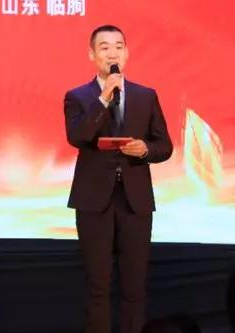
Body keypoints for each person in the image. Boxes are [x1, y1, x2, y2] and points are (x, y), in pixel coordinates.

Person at [64, 24, 173, 333]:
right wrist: (103, 98)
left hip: (135, 201)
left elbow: (164, 146)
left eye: (118, 46)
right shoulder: (78, 96)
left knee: (134, 287)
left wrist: (145, 149)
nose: (112, 53)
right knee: (97, 286)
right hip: (93, 201)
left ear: (126, 53)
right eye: (104, 47)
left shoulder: (146, 96)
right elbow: (78, 136)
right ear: (91, 54)